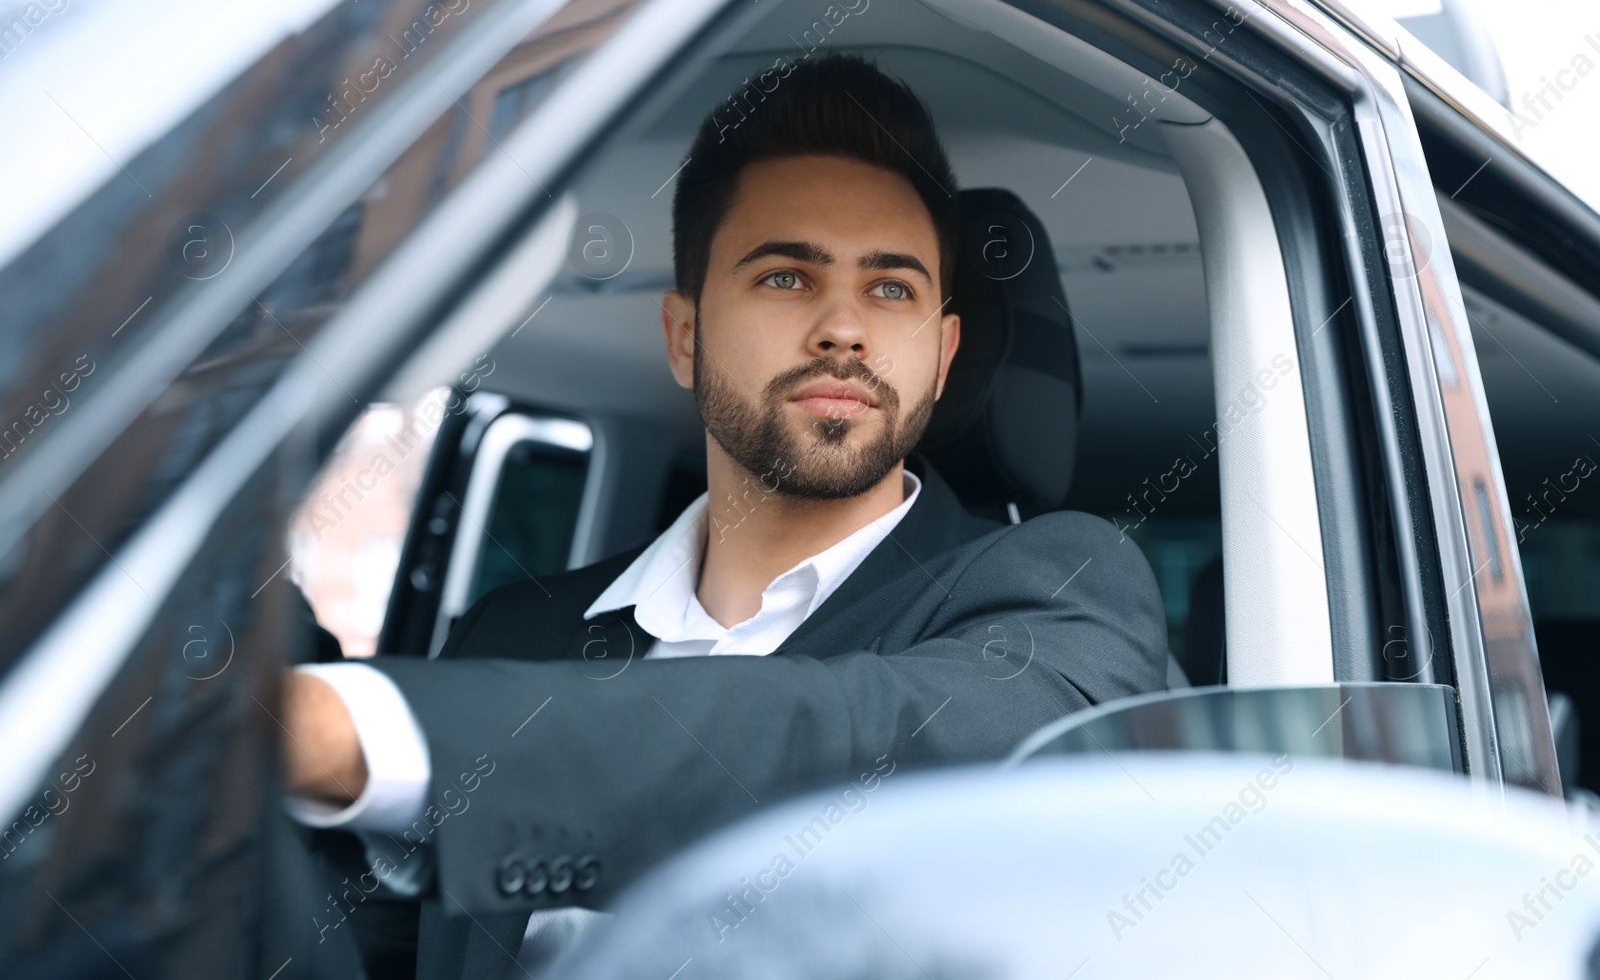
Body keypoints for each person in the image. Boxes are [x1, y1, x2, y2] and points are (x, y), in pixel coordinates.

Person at [280, 53, 1169, 977]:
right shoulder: (515, 633)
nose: (844, 328)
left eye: (892, 288)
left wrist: (353, 731)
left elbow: (861, 750)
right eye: (787, 276)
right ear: (684, 335)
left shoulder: (1063, 590)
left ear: (942, 359)